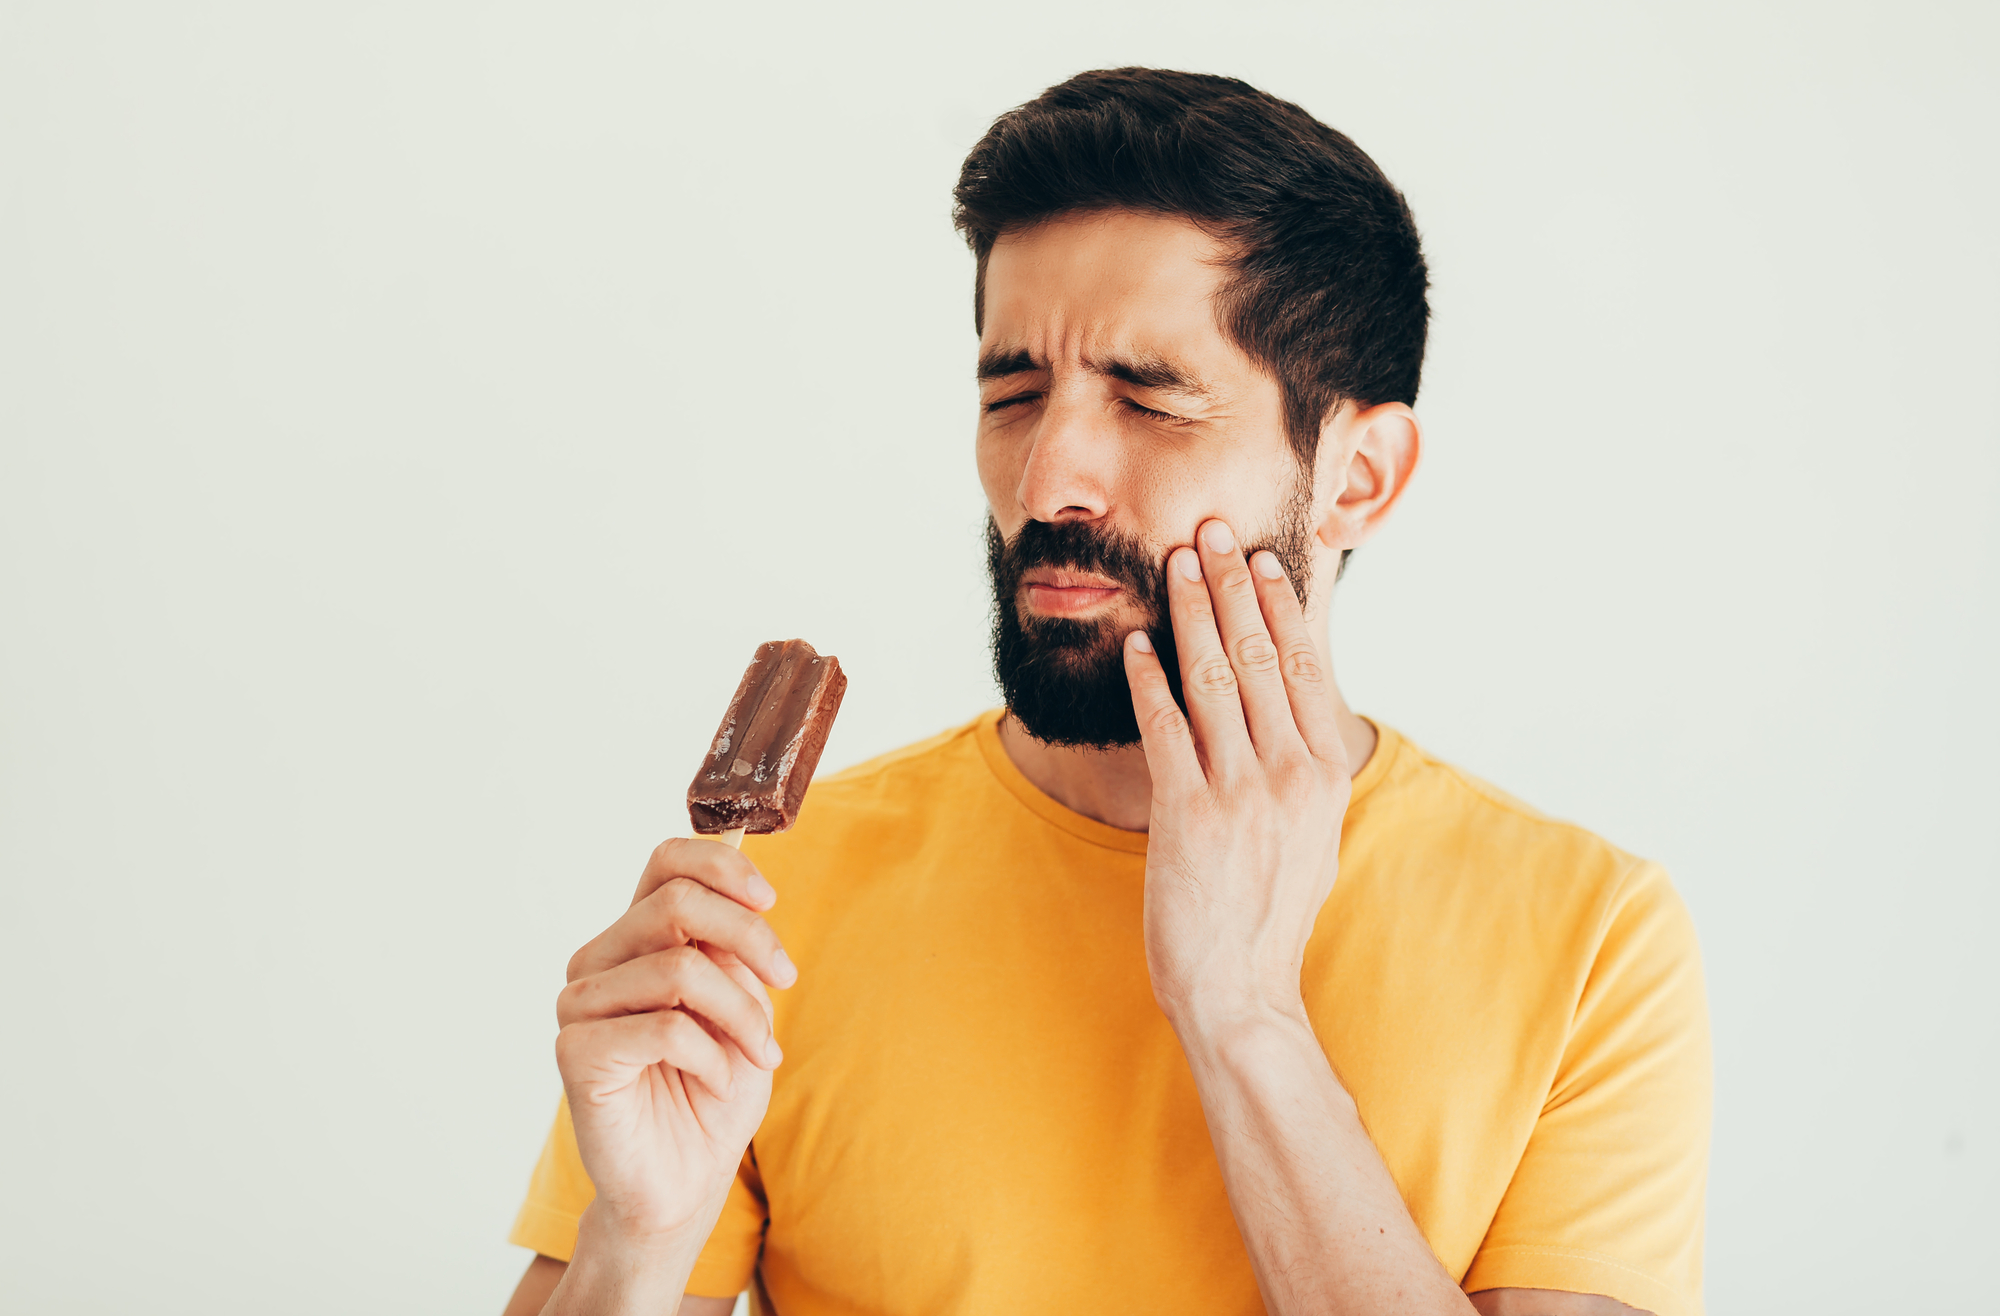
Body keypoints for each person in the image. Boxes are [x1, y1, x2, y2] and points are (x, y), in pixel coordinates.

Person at [500, 68, 1710, 1316]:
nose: (1046, 480)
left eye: (1148, 398)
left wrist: (1243, 1018)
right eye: (1012, 395)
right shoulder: (762, 904)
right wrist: (637, 1243)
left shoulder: (1588, 943)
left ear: (1356, 476)